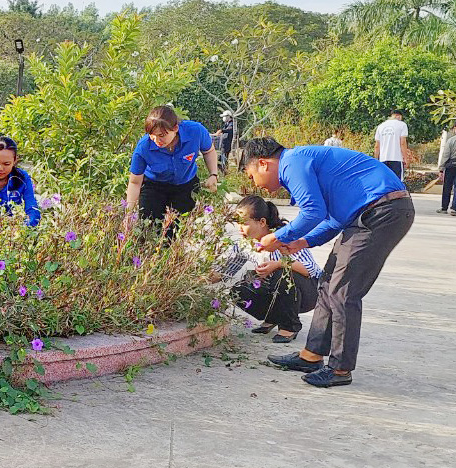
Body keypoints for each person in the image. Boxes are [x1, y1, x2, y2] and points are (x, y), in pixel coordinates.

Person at [240, 137, 414, 388]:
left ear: (264, 164)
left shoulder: (292, 164)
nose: (255, 184)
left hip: (383, 210)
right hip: (367, 214)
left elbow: (312, 212)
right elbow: (332, 219)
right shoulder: (300, 162)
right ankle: (311, 356)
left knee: (343, 291)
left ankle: (340, 369)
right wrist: (303, 242)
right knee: (327, 283)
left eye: (251, 175)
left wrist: (276, 236)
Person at [219, 195, 322, 343]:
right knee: (239, 290)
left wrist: (278, 264)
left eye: (244, 223)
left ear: (262, 222)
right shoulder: (244, 244)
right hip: (276, 289)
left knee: (281, 274)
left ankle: (289, 326)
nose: (239, 229)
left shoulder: (286, 237)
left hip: (308, 292)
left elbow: (310, 269)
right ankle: (272, 318)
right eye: (237, 223)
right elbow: (225, 271)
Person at [125, 105, 218, 228]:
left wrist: (213, 174)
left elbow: (209, 151)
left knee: (177, 229)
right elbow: (135, 182)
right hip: (154, 187)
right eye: (152, 135)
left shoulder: (196, 131)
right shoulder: (144, 147)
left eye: (162, 135)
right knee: (149, 227)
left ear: (175, 128)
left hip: (185, 185)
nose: (157, 140)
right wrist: (128, 214)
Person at [374, 109, 409, 179]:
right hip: (396, 158)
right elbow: (402, 143)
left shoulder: (381, 126)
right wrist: (406, 158)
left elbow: (377, 146)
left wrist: (376, 160)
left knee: (385, 181)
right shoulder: (402, 125)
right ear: (398, 116)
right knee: (397, 182)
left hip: (383, 159)